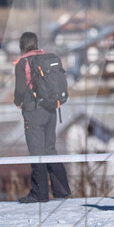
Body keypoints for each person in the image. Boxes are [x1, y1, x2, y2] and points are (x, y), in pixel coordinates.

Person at [13, 32, 71, 203]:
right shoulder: (46, 58)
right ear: (36, 44)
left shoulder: (22, 63)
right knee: (50, 149)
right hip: (51, 109)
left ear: (21, 46)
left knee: (36, 153)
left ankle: (40, 194)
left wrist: (18, 102)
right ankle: (61, 190)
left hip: (33, 111)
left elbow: (21, 90)